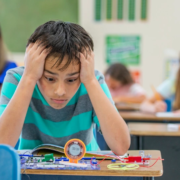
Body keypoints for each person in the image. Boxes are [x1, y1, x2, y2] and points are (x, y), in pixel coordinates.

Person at [0, 21, 130, 155]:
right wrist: (29, 77)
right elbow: (2, 144)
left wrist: (90, 81)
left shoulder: (92, 80)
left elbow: (121, 146)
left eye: (71, 80)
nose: (60, 91)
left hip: (87, 171)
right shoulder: (19, 80)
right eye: (50, 78)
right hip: (33, 173)